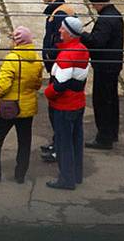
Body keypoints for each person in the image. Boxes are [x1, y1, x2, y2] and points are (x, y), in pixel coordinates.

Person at [0, 25, 43, 185]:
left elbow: (3, 85)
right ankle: (20, 174)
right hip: (27, 107)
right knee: (24, 141)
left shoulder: (12, 59)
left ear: (17, 41)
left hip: (8, 107)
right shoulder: (35, 59)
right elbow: (37, 84)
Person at [44, 15, 90, 190]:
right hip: (78, 103)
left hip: (64, 106)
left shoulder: (67, 55)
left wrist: (48, 93)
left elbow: (59, 85)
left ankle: (66, 179)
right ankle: (75, 175)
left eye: (63, 28)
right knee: (76, 141)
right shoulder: (82, 49)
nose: (60, 30)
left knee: (64, 144)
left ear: (70, 33)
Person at [79, 0, 123, 150]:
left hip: (104, 66)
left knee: (102, 101)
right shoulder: (115, 14)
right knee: (111, 101)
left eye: (94, 5)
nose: (94, 8)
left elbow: (97, 41)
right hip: (113, 65)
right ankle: (111, 133)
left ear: (99, 3)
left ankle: (104, 137)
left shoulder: (105, 20)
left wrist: (82, 34)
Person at [38, 0, 74, 163]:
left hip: (57, 67)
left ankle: (60, 146)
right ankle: (56, 141)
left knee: (57, 110)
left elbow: (58, 40)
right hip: (55, 66)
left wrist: (50, 57)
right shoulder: (59, 10)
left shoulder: (60, 14)